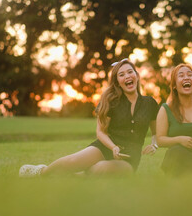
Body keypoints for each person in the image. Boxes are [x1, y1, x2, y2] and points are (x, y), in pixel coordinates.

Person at [19, 59, 159, 177]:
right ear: (117, 82)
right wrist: (113, 147)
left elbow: (156, 132)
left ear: (137, 75)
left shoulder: (150, 103)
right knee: (74, 161)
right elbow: (101, 132)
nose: (127, 76)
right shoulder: (111, 101)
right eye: (121, 74)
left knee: (101, 169)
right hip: (106, 146)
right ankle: (42, 172)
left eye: (130, 72)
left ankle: (76, 175)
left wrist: (154, 145)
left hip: (130, 158)